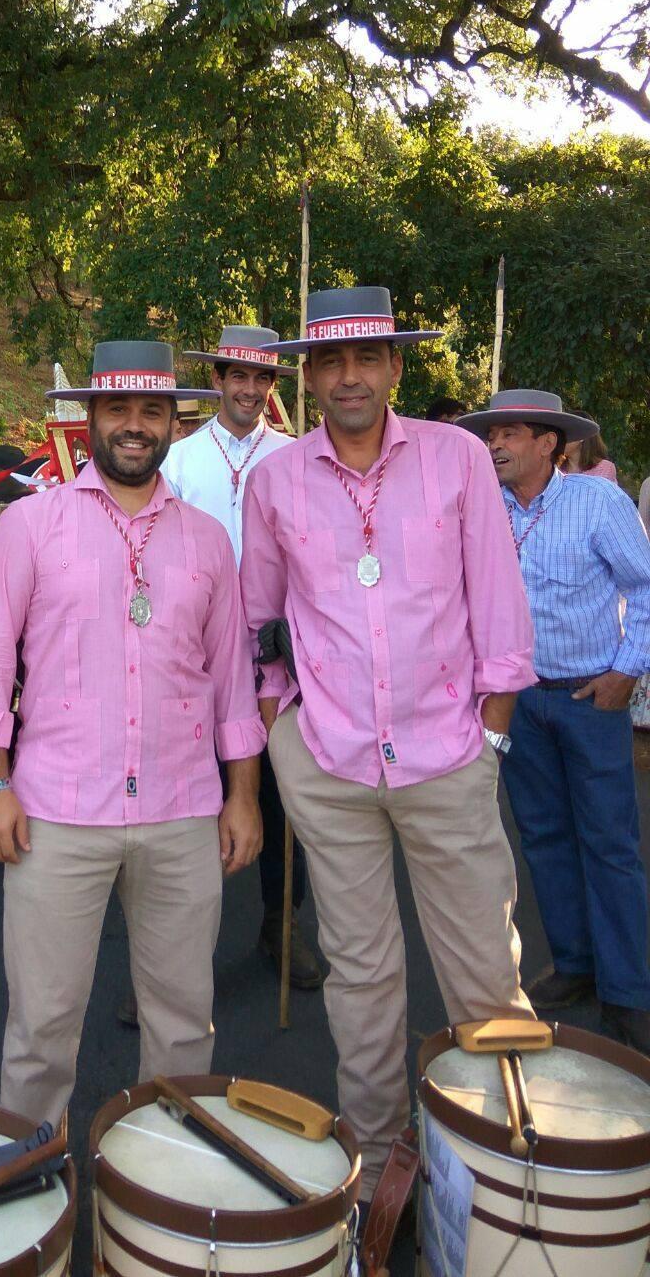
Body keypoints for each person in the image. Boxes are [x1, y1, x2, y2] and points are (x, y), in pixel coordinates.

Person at [240, 286, 535, 1208]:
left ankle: (499, 1158)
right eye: (329, 361)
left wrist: (491, 736)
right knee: (362, 974)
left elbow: (497, 603)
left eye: (367, 357)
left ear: (396, 367)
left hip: (447, 754)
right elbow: (260, 620)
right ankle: (377, 1165)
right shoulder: (277, 479)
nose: (349, 375)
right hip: (327, 764)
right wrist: (284, 723)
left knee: (484, 966)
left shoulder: (454, 460)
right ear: (310, 374)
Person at [0, 339, 265, 1129]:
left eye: (152, 410)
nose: (136, 425)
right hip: (56, 811)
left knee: (182, 1022)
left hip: (181, 809)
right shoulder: (31, 525)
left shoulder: (207, 539)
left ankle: (163, 1193)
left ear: (173, 420)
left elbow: (232, 682)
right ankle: (28, 1193)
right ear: (89, 418)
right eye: (119, 409)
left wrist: (243, 799)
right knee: (40, 1030)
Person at [459, 389, 650, 1051]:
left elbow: (645, 586)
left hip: (589, 697)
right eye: (491, 435)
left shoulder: (599, 503)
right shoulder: (482, 509)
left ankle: (629, 991)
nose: (495, 445)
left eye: (509, 434)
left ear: (549, 443)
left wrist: (627, 669)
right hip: (519, 699)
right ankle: (575, 965)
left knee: (610, 844)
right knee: (542, 835)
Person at [163, 323, 322, 989]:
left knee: (285, 795)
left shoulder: (299, 457)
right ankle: (167, 958)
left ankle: (279, 922)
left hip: (276, 651)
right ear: (220, 378)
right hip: (194, 653)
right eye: (239, 375)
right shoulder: (177, 459)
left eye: (263, 377)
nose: (251, 388)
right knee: (185, 800)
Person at [561, 418, 618, 482]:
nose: (559, 440)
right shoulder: (555, 469)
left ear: (581, 437)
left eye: (565, 434)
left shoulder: (604, 469)